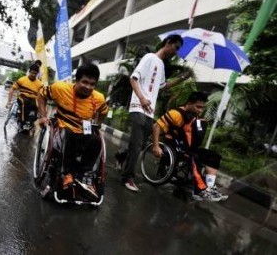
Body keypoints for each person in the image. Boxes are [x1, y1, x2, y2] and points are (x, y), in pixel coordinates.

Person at [116, 34, 192, 192]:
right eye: (176, 47)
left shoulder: (162, 65)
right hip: (138, 106)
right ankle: (127, 177)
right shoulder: (149, 57)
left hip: (149, 111)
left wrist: (182, 78)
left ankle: (122, 156)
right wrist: (142, 98)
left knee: (142, 143)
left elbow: (163, 86)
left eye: (178, 49)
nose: (176, 51)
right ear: (168, 43)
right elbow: (134, 78)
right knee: (137, 143)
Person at [38, 63, 108, 198]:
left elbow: (104, 111)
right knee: (68, 134)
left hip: (83, 129)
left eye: (92, 84)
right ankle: (66, 174)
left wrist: (97, 124)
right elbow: (41, 95)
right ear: (77, 80)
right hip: (62, 128)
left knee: (97, 139)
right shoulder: (60, 88)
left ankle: (84, 177)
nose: (88, 87)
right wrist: (42, 116)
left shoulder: (98, 98)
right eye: (85, 82)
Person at [152, 91, 228, 202]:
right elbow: (156, 127)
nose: (200, 110)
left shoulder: (195, 116)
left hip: (188, 147)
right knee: (193, 157)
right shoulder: (175, 113)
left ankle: (210, 188)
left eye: (202, 108)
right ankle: (200, 190)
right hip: (174, 145)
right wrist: (156, 146)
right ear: (190, 103)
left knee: (213, 157)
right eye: (198, 107)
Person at [6, 64, 43, 129]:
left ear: (37, 73)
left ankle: (31, 121)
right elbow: (12, 89)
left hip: (33, 98)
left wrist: (41, 112)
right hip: (22, 97)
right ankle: (22, 121)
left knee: (37, 105)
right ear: (29, 71)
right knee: (24, 102)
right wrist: (8, 101)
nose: (33, 75)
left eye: (35, 73)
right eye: (32, 73)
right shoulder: (22, 80)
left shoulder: (39, 84)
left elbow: (41, 96)